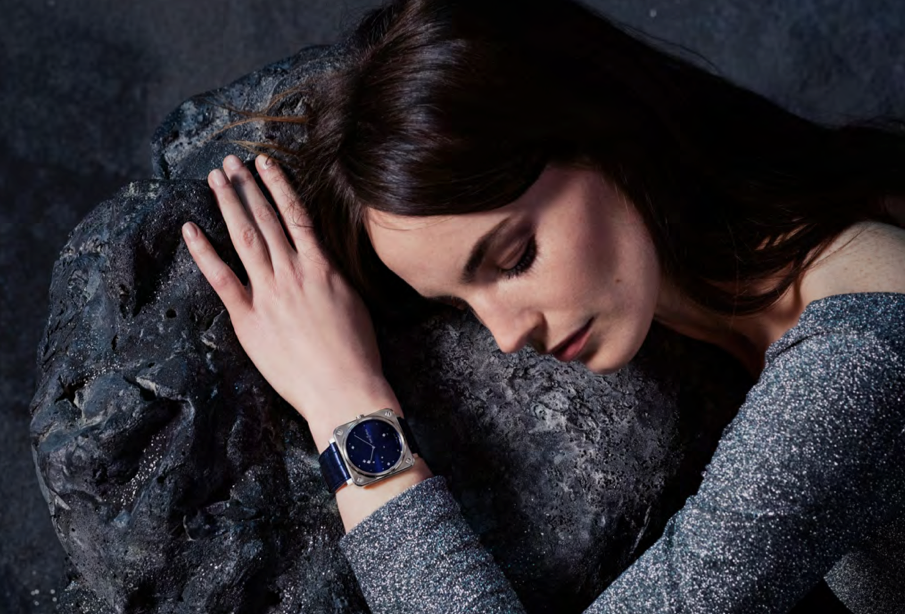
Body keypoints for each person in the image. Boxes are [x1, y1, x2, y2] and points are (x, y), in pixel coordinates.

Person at [179, 0, 905, 611]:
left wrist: (347, 410)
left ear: (604, 129)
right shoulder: (755, 287)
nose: (506, 333)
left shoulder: (856, 365)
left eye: (514, 257)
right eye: (462, 302)